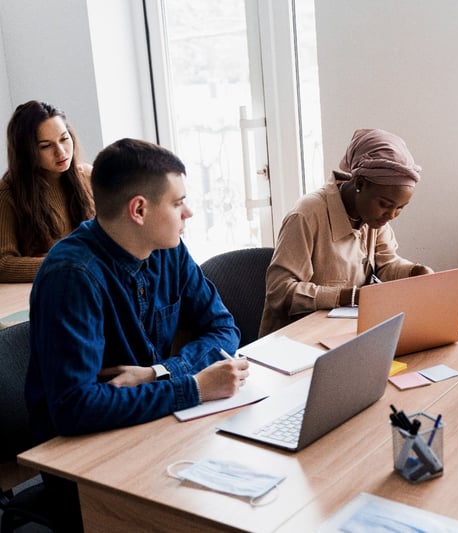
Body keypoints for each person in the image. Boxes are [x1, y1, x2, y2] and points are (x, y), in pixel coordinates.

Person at [25, 138, 249, 531]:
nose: (189, 212)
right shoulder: (72, 276)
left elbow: (223, 326)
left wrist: (161, 373)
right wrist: (193, 388)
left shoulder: (168, 249)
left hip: (154, 425)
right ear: (139, 210)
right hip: (83, 462)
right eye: (178, 203)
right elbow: (75, 408)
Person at [259, 128, 434, 336]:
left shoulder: (373, 217)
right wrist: (345, 297)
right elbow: (280, 291)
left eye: (400, 208)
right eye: (386, 204)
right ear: (360, 183)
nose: (392, 215)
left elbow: (386, 264)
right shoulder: (307, 215)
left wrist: (414, 272)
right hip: (295, 342)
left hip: (342, 334)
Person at [0, 100, 94, 282]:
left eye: (64, 139)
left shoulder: (88, 177)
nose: (61, 152)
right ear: (26, 152)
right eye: (45, 146)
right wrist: (66, 262)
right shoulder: (7, 192)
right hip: (49, 291)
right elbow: (3, 264)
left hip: (93, 285)